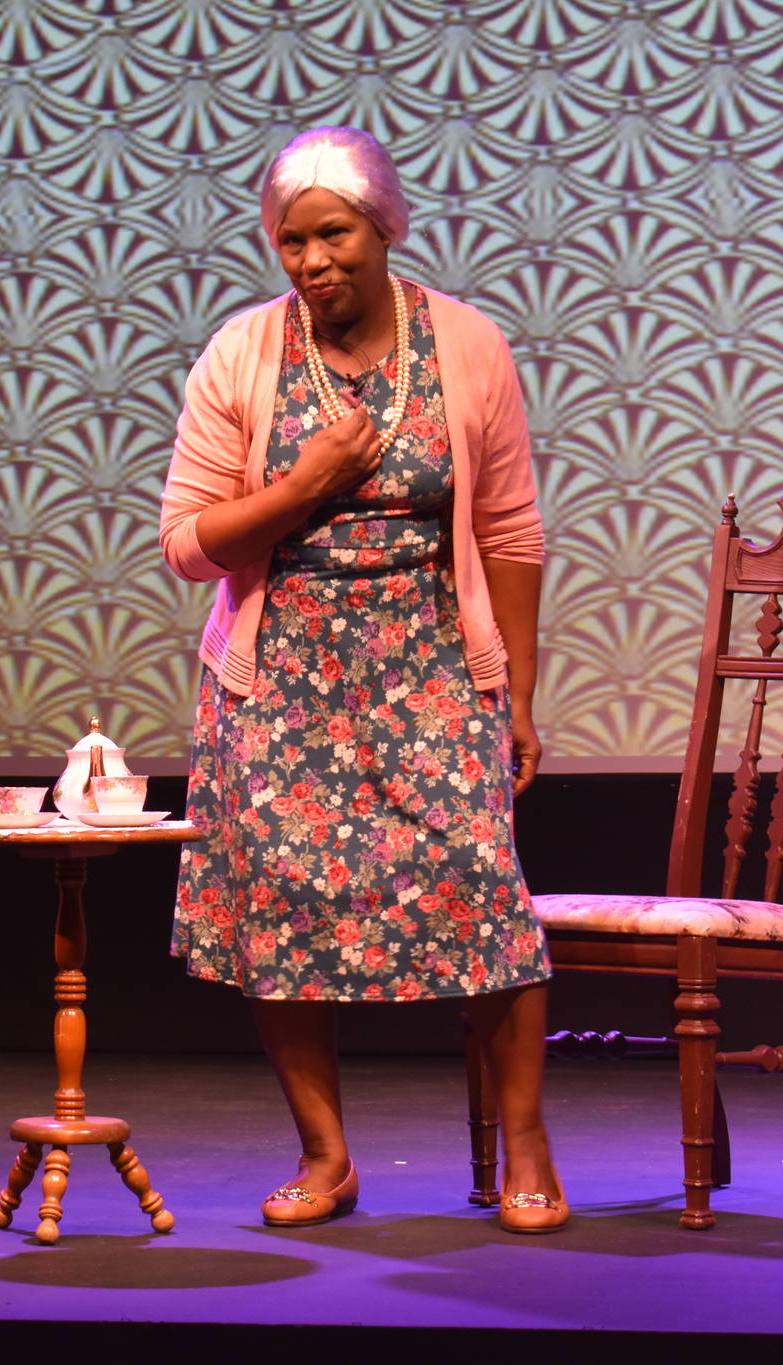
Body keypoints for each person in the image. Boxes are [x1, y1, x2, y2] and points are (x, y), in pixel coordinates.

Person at [159, 128, 565, 1233]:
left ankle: (524, 1147)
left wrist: (517, 693)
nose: (311, 261)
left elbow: (512, 533)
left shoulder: (467, 345)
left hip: (431, 663)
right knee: (284, 908)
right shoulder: (241, 354)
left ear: (383, 226)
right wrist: (302, 487)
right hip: (279, 673)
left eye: (332, 234)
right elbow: (188, 542)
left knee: (482, 899)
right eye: (289, 242)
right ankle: (325, 1157)